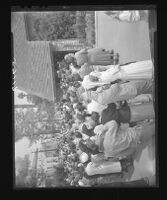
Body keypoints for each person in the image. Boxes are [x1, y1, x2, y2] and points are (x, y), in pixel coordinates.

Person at [82, 60, 153, 90]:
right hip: (124, 72)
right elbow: (115, 69)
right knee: (140, 68)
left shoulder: (101, 78)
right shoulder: (103, 77)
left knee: (141, 72)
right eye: (90, 77)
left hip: (124, 75)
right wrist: (117, 65)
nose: (91, 75)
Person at [85, 79, 153, 105]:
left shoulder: (99, 99)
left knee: (145, 88)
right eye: (91, 92)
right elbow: (115, 88)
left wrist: (102, 89)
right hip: (128, 90)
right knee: (146, 84)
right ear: (91, 96)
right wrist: (104, 87)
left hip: (127, 94)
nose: (92, 91)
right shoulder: (101, 97)